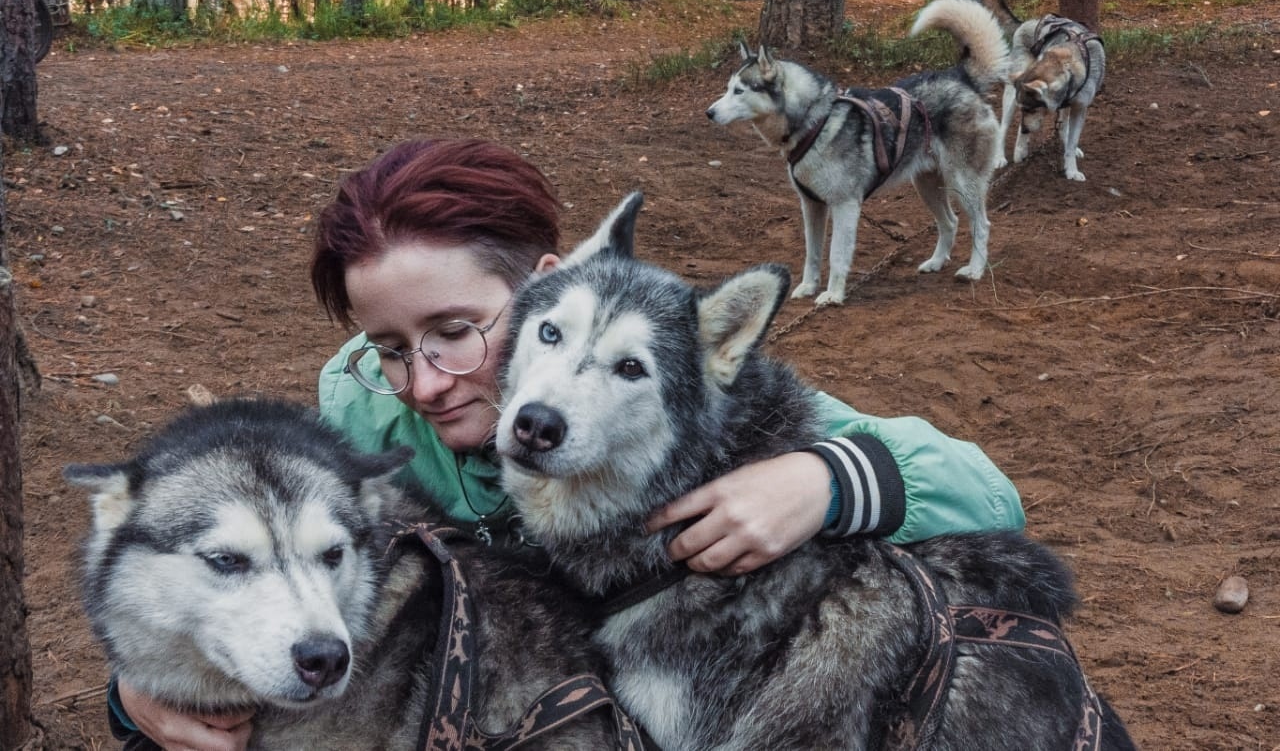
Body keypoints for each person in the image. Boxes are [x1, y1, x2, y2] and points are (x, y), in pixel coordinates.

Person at [111, 137, 1025, 750]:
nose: (426, 384)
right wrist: (148, 688)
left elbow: (987, 493)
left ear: (551, 289)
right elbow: (270, 584)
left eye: (457, 331)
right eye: (391, 346)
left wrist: (821, 481)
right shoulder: (361, 409)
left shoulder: (668, 391)